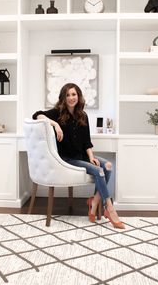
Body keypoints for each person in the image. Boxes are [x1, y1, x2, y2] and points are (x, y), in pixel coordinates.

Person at [32, 83, 125, 229]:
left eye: (74, 94)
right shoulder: (57, 113)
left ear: (78, 96)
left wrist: (91, 157)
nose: (71, 98)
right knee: (99, 171)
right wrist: (55, 125)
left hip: (82, 156)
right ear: (63, 97)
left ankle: (94, 202)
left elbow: (87, 142)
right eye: (68, 95)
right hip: (68, 159)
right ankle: (109, 208)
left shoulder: (83, 115)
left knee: (106, 166)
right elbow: (37, 115)